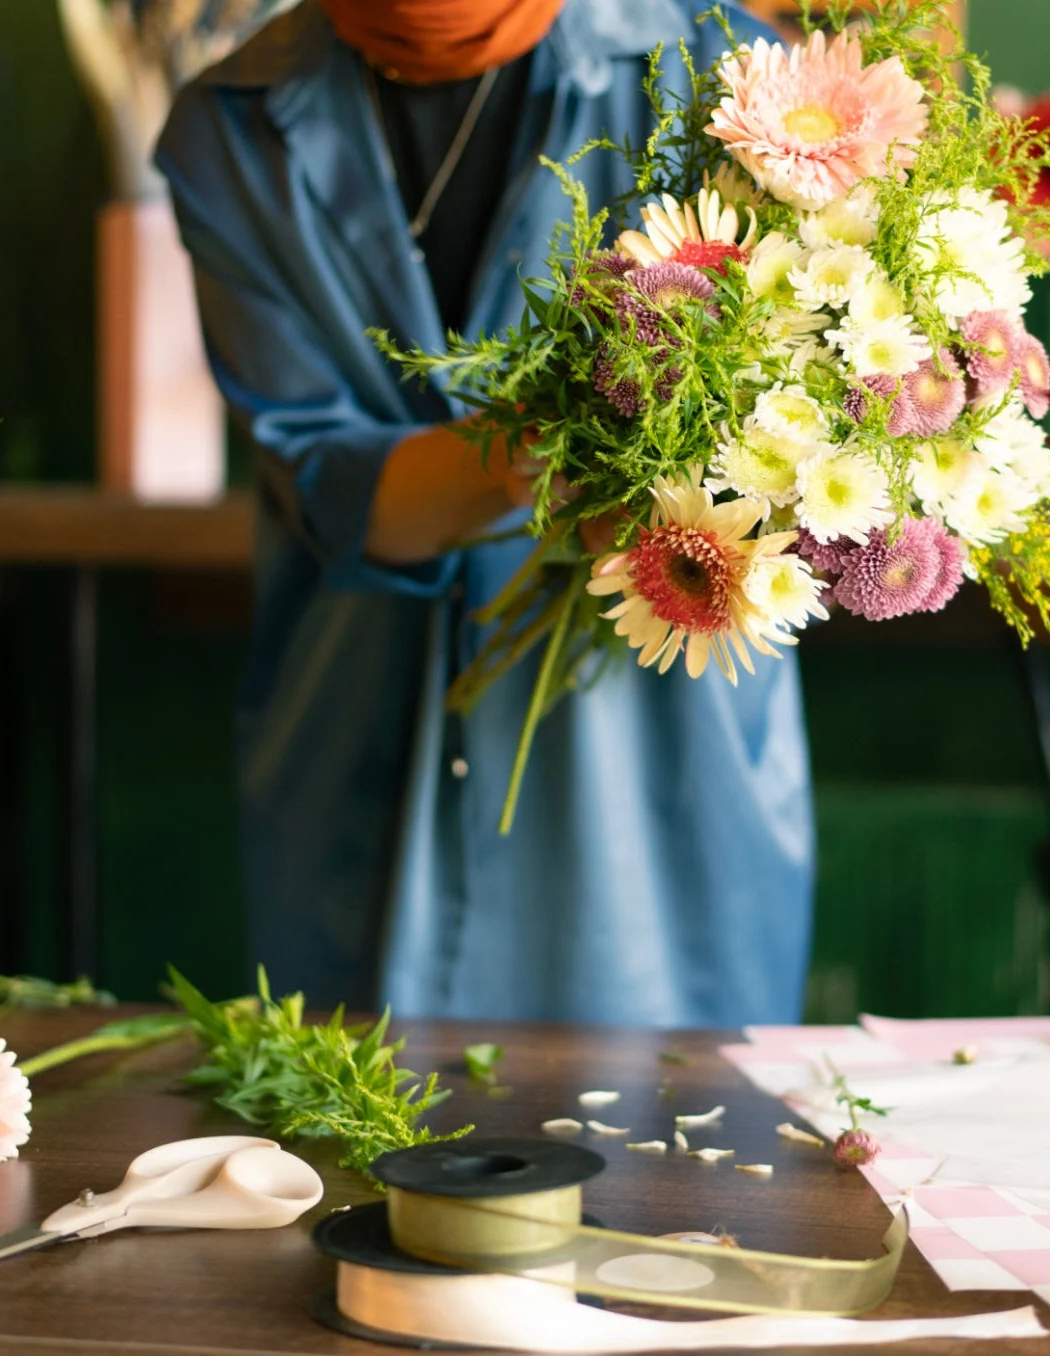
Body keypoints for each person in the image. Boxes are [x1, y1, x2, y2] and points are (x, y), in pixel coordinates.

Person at [156, 0, 813, 1026]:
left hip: (650, 789)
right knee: (364, 1110)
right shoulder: (233, 125)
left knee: (671, 1108)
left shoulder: (729, 76)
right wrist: (549, 445)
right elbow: (329, 484)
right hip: (359, 759)